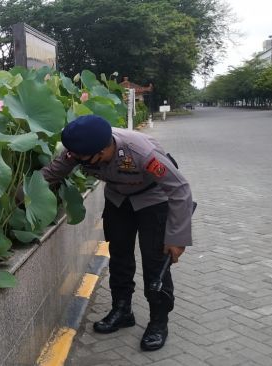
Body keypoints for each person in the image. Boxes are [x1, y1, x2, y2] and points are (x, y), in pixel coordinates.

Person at [40, 115, 193, 351]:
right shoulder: (81, 147)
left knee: (155, 263)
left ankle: (158, 322)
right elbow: (53, 172)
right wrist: (17, 196)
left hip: (153, 200)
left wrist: (177, 238)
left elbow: (180, 190)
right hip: (119, 200)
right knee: (119, 256)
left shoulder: (143, 154)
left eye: (81, 158)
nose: (74, 159)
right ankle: (122, 310)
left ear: (102, 150)